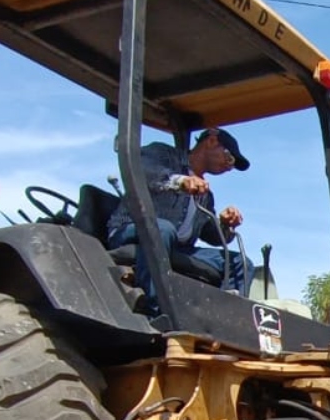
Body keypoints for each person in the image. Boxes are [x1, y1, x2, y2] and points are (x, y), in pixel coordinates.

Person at [106, 127, 255, 312]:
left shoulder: (206, 195)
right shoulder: (163, 155)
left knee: (242, 263)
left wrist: (224, 224)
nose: (229, 166)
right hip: (131, 231)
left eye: (232, 165)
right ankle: (156, 309)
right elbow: (143, 171)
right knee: (163, 229)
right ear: (211, 141)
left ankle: (226, 319)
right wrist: (180, 182)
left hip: (176, 246)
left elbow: (211, 235)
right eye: (229, 158)